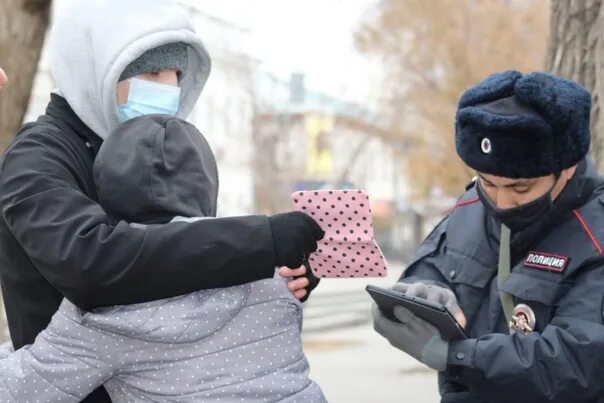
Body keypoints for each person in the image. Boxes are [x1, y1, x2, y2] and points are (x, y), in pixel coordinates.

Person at [0, 1, 322, 401]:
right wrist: (258, 241)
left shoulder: (157, 147)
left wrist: (276, 274)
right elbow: (91, 262)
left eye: (176, 74)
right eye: (150, 72)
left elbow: (186, 260)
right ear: (95, 67)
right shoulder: (37, 157)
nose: (167, 88)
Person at [373, 70, 604, 403]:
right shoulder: (471, 205)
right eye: (488, 182)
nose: (501, 202)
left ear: (566, 168)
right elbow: (432, 267)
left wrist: (456, 357)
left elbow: (579, 360)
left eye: (520, 187)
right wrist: (427, 293)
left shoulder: (595, 231)